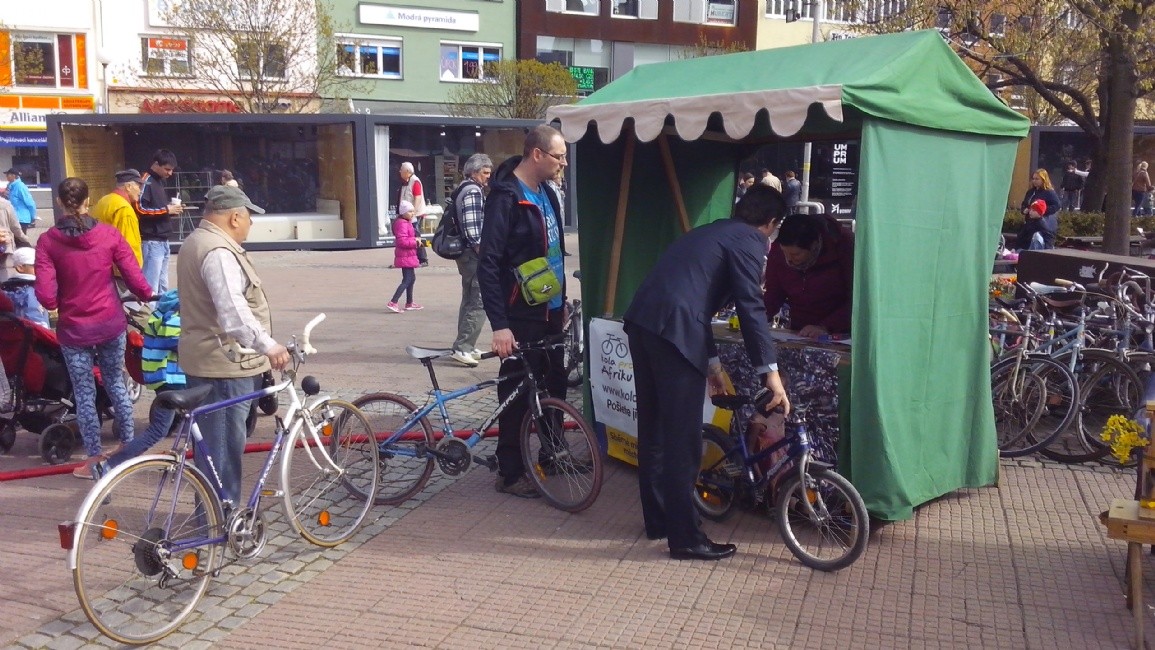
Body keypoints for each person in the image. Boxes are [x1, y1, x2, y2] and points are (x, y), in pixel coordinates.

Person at [624, 184, 790, 561]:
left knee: (654, 431)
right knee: (683, 440)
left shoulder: (710, 231)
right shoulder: (750, 241)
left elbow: (696, 299)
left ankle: (661, 521)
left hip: (644, 324)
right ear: (771, 224)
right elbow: (751, 308)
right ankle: (686, 539)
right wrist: (771, 373)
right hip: (674, 332)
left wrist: (712, 364)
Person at [176, 184, 289, 506]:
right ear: (236, 217)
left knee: (213, 451)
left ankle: (216, 519)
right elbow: (233, 313)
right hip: (224, 366)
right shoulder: (218, 251)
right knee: (221, 455)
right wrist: (268, 346)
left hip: (209, 360)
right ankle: (220, 526)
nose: (251, 224)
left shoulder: (197, 241)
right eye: (250, 217)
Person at [34, 178, 153, 479]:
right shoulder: (109, 235)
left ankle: (95, 458)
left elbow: (47, 298)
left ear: (60, 202)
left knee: (84, 393)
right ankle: (129, 448)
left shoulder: (48, 242)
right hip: (110, 323)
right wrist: (148, 295)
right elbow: (136, 279)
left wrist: (62, 293)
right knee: (116, 383)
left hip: (74, 329)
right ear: (89, 201)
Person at [478, 124, 570, 499]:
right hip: (520, 310)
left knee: (555, 380)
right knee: (517, 388)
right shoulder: (505, 197)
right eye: (558, 156)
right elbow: (488, 263)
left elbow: (553, 251)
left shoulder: (546, 191)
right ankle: (510, 469)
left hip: (548, 307)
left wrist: (559, 304)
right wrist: (500, 325)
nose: (563, 163)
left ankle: (553, 453)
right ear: (537, 154)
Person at [763, 213, 855, 338]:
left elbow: (857, 300)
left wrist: (826, 326)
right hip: (798, 332)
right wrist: (758, 316)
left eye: (796, 255)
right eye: (785, 252)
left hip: (839, 333)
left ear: (814, 246)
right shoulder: (778, 251)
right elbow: (773, 293)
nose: (788, 259)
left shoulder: (845, 245)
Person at [450, 153, 492, 367]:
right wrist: (481, 251)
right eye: (485, 173)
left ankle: (465, 344)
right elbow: (473, 229)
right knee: (479, 300)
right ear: (475, 172)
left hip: (464, 255)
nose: (488, 177)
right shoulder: (473, 191)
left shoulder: (462, 188)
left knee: (469, 299)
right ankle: (463, 347)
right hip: (473, 254)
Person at [136, 149, 185, 294]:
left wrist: (171, 211)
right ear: (156, 164)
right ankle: (148, 314)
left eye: (172, 170)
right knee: (152, 285)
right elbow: (140, 209)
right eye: (167, 169)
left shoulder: (158, 181)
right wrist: (166, 210)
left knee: (162, 284)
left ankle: (161, 314)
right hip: (151, 240)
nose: (170, 173)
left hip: (163, 240)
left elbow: (155, 209)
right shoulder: (146, 180)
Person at [90, 169, 145, 268]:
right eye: (139, 186)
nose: (140, 191)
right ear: (128, 187)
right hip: (120, 271)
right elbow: (129, 246)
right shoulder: (124, 209)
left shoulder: (104, 200)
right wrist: (134, 273)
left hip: (102, 264)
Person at [386, 200, 422, 313]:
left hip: (408, 255)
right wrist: (415, 241)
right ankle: (393, 301)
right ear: (403, 212)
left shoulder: (406, 223)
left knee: (411, 278)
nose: (412, 213)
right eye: (410, 211)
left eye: (413, 211)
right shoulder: (402, 223)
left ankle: (409, 302)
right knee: (407, 279)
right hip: (405, 255)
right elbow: (402, 241)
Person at [2, 247, 48, 327]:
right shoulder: (31, 291)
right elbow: (36, 322)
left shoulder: (6, 289)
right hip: (35, 335)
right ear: (20, 268)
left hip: (16, 336)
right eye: (35, 266)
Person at [1019, 169, 1060, 247]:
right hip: (1030, 222)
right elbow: (1024, 204)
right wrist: (1024, 210)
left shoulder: (1049, 192)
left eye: (1037, 179)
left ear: (1043, 180)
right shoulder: (1031, 192)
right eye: (1033, 179)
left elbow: (1057, 205)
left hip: (1042, 223)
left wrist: (1041, 211)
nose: (1034, 181)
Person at [398, 162, 429, 266]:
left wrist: (413, 213)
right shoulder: (405, 181)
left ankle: (423, 259)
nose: (399, 171)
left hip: (415, 214)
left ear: (407, 172)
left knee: (416, 235)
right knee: (412, 235)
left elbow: (418, 197)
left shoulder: (415, 181)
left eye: (401, 170)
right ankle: (416, 258)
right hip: (408, 214)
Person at [4, 168, 36, 234]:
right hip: (13, 219)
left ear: (14, 176)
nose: (6, 177)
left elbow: (30, 203)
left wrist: (33, 217)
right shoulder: (10, 187)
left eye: (8, 175)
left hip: (21, 219)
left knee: (21, 241)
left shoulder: (20, 187)